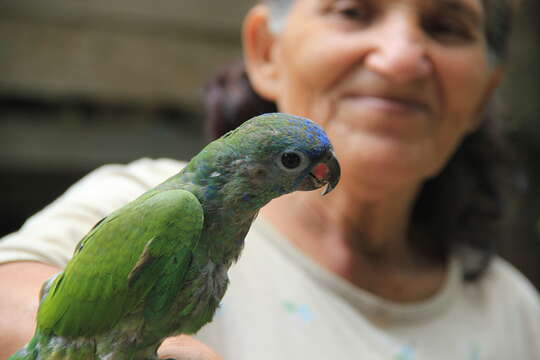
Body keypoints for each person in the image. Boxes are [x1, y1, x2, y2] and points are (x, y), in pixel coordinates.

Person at [1, 0, 539, 359]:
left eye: (445, 27)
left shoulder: (514, 315)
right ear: (265, 51)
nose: (399, 59)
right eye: (353, 10)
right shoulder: (147, 201)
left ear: (488, 91)